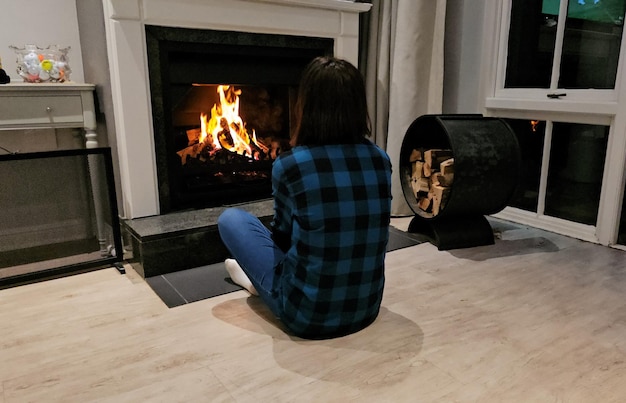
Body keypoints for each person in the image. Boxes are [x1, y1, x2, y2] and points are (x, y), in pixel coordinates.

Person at [217, 56, 392, 339]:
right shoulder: (381, 160)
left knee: (231, 220)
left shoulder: (291, 164)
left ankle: (258, 283)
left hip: (306, 317)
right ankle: (256, 281)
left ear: (306, 106)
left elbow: (282, 239)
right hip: (367, 308)